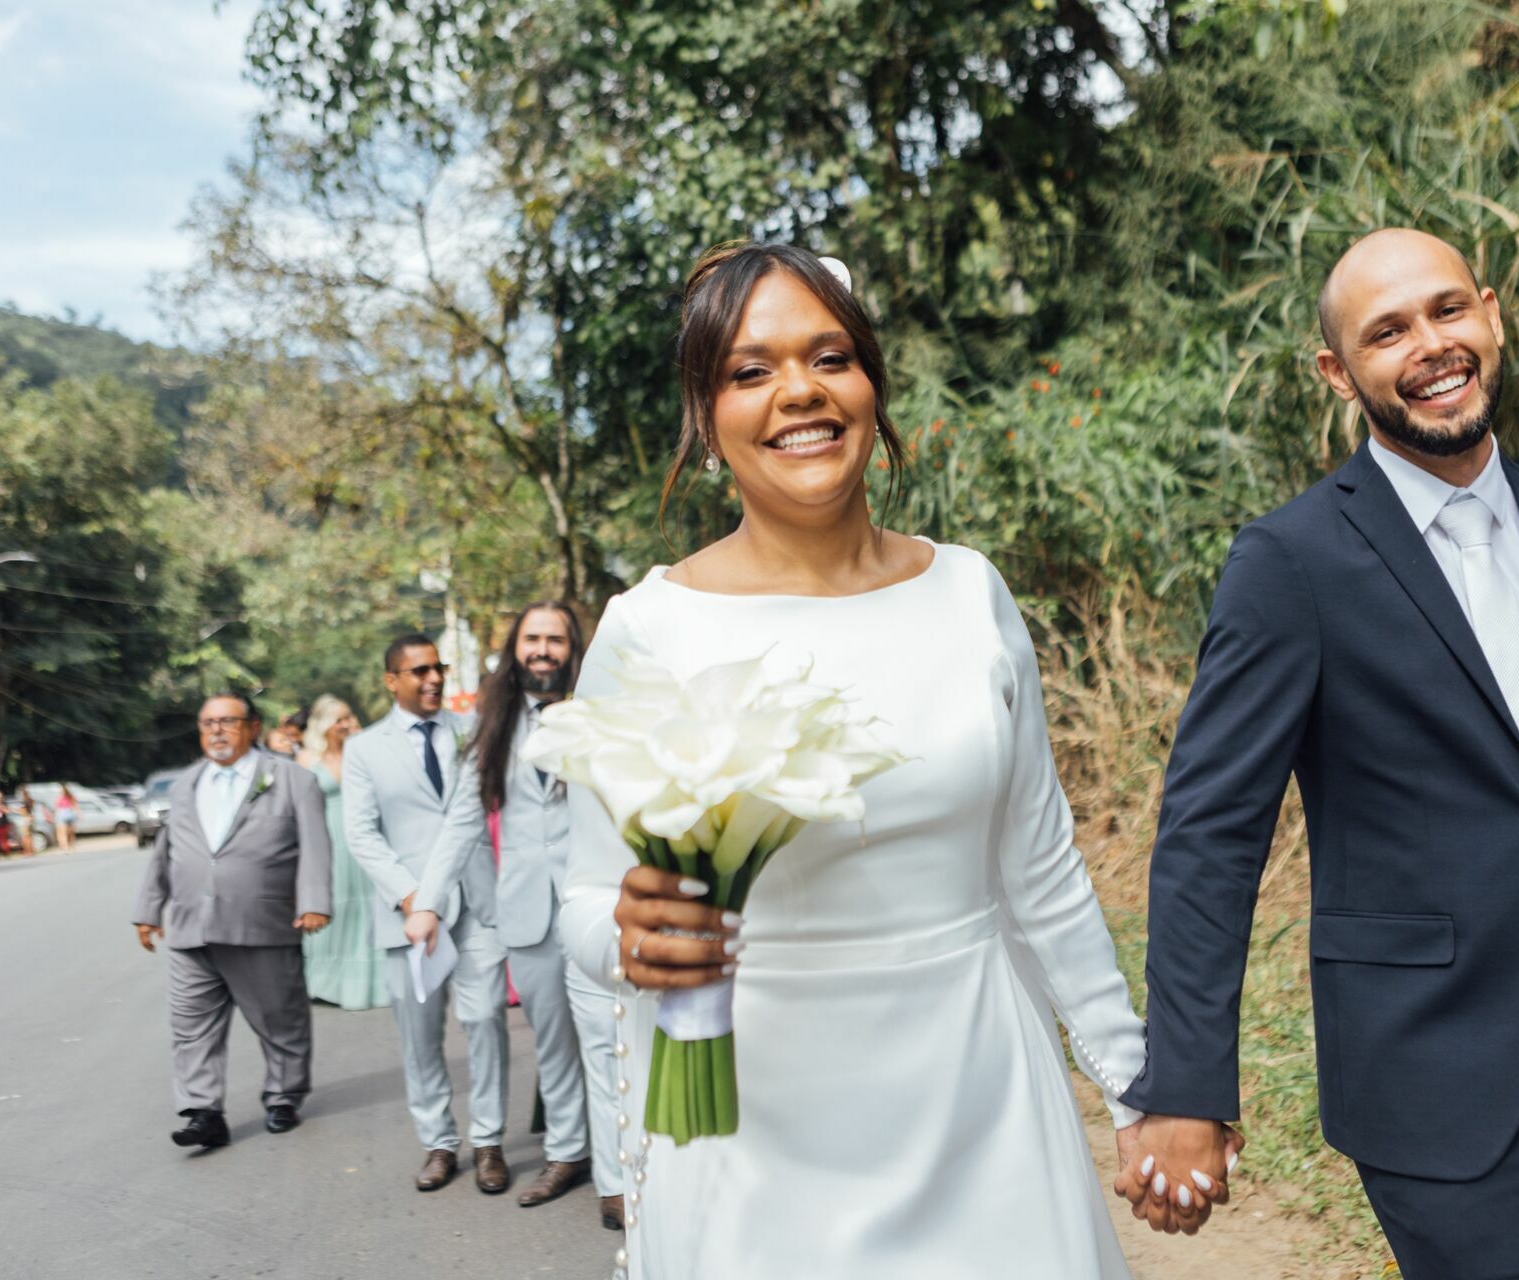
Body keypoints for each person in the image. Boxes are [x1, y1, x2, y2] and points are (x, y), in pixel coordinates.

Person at [1117, 229, 1519, 1279]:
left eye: (1448, 310)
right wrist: (1185, 1083)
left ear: (1492, 316)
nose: (1432, 345)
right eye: (1388, 330)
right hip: (1425, 1055)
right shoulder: (1290, 563)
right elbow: (1210, 838)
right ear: (1337, 372)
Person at [558, 242, 1145, 1278]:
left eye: (831, 356)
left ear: (872, 384)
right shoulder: (650, 628)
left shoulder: (970, 593)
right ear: (706, 413)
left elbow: (1043, 869)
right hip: (750, 1133)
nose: (800, 391)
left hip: (983, 1102)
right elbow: (587, 903)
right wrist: (631, 934)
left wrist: (1137, 1087)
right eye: (750, 370)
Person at [408, 602, 619, 1222]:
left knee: (607, 1041)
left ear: (573, 648)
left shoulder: (601, 715)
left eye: (556, 638)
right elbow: (461, 823)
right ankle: (567, 1154)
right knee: (553, 1043)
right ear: (515, 648)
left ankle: (618, 1175)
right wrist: (426, 903)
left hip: (596, 901)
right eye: (533, 638)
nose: (544, 649)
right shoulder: (493, 724)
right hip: (525, 909)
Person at [344, 635, 511, 1194]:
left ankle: (488, 1140)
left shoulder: (472, 730)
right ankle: (439, 1142)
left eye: (438, 668)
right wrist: (414, 898)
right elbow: (361, 835)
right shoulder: (365, 749)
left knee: (486, 1018)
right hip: (408, 914)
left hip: (478, 902)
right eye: (419, 671)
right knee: (419, 1037)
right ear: (392, 680)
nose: (434, 678)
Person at [132, 692, 333, 1149]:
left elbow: (316, 844)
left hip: (260, 921)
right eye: (207, 724)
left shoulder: (291, 779)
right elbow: (169, 847)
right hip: (190, 924)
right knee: (190, 1025)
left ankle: (284, 1096)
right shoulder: (186, 784)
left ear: (253, 726)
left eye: (227, 721)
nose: (216, 731)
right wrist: (148, 908)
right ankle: (203, 1111)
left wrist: (314, 899)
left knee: (280, 1019)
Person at [297, 695, 389, 1010]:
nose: (347, 724)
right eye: (340, 720)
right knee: (333, 905)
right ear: (324, 726)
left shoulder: (362, 752)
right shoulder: (308, 759)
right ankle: (325, 982)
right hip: (327, 840)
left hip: (364, 837)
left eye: (349, 717)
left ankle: (371, 984)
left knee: (368, 908)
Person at [53, 784, 78, 850]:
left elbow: (57, 807)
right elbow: (75, 806)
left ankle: (67, 845)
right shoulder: (66, 797)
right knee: (68, 832)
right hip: (67, 813)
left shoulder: (64, 797)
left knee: (66, 832)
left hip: (64, 814)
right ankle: (68, 845)